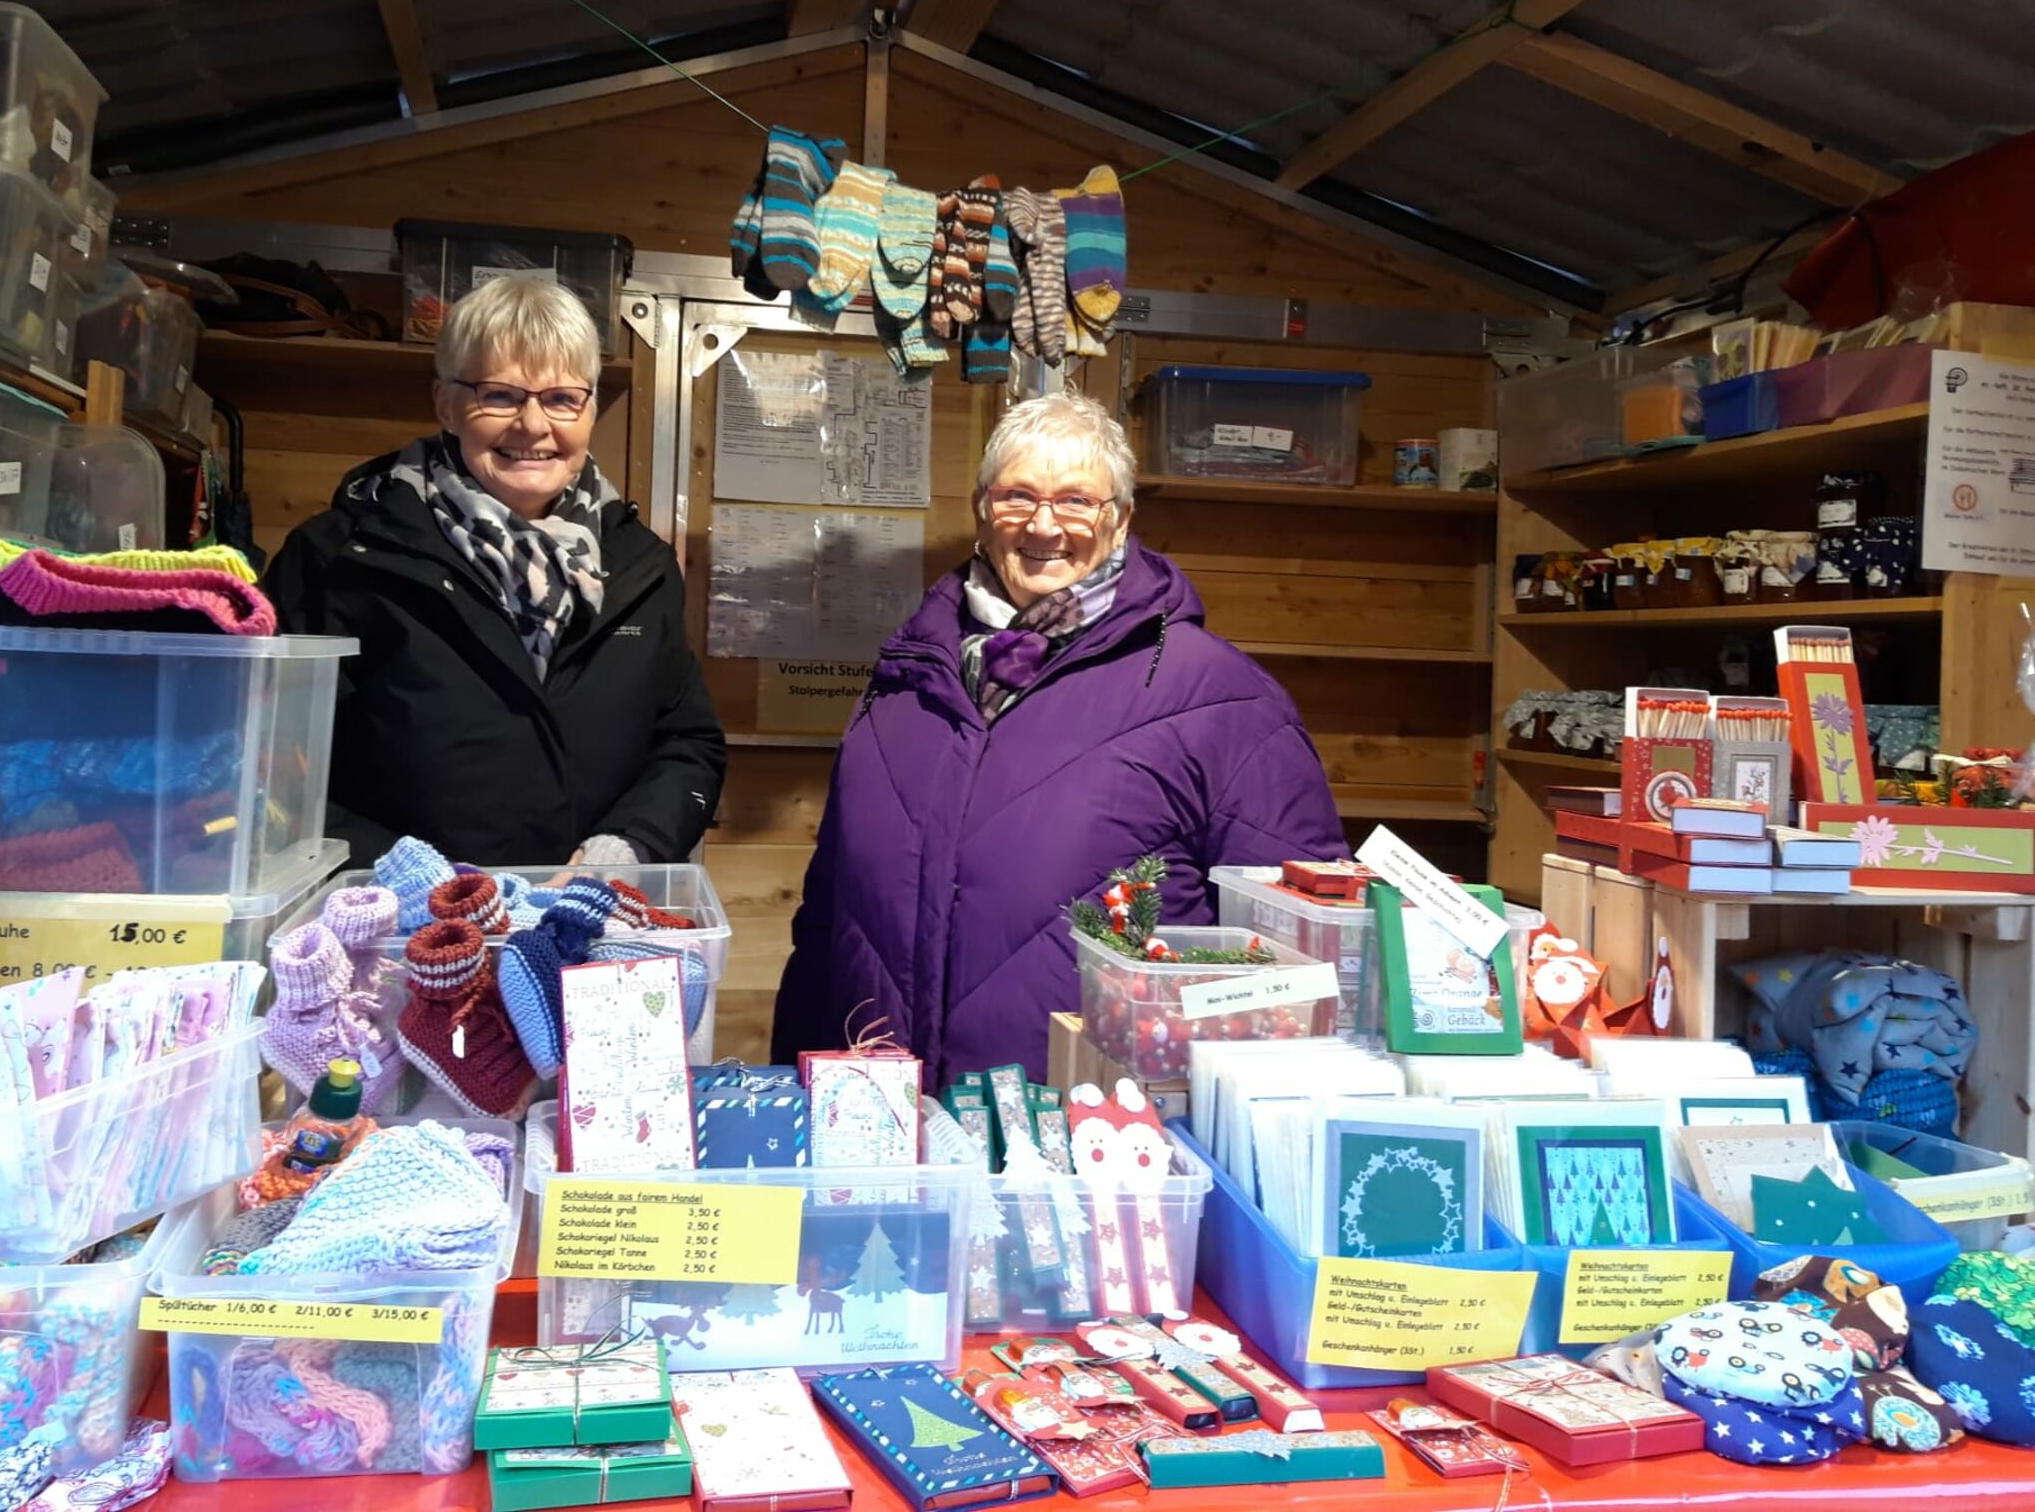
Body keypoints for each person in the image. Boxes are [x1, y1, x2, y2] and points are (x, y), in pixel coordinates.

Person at [771, 390, 1344, 1084]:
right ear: (983, 510)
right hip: (882, 1126)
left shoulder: (1224, 702)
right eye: (1018, 496)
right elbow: (826, 924)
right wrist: (794, 1089)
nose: (1044, 525)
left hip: (1101, 1142)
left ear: (1122, 518)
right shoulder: (904, 680)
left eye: (1077, 500)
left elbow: (1298, 959)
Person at [267, 276, 724, 867]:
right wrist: (405, 875)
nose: (533, 426)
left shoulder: (640, 568)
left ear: (588, 409)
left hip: (584, 917)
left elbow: (688, 742)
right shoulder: (341, 558)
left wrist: (628, 844)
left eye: (562, 398)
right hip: (399, 929)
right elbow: (268, 763)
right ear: (446, 405)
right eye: (501, 395)